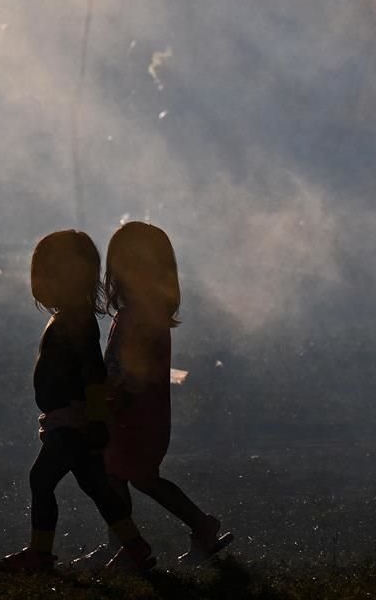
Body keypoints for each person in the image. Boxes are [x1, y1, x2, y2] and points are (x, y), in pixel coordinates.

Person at [0, 230, 155, 573]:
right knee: (95, 486)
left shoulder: (76, 321)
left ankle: (39, 553)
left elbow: (93, 373)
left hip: (71, 422)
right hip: (73, 420)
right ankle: (135, 545)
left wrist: (95, 420)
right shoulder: (72, 317)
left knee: (42, 480)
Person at [74, 222, 231, 568]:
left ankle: (195, 526)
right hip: (136, 414)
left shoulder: (142, 317)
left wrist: (109, 404)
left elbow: (133, 373)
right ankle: (123, 543)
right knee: (122, 476)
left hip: (133, 415)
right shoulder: (141, 314)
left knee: (139, 477)